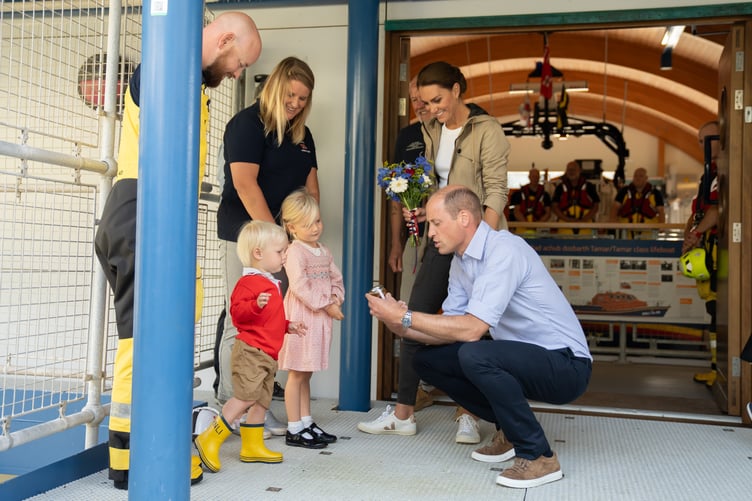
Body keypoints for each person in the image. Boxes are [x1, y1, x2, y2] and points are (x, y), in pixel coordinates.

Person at [93, 12, 262, 490]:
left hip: (156, 214)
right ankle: (129, 464)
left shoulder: (187, 79)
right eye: (237, 62)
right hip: (142, 210)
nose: (234, 73)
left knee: (164, 331)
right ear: (224, 38)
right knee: (143, 341)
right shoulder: (169, 68)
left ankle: (150, 448)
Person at [365, 185, 592, 489]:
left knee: (475, 354)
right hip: (524, 358)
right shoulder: (461, 262)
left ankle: (539, 457)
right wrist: (399, 325)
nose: (429, 232)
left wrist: (406, 316)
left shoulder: (504, 251)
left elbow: (472, 330)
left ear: (463, 218)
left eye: (435, 222)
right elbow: (451, 328)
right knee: (426, 361)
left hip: (567, 365)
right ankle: (510, 431)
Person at [358, 61, 509, 445]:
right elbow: (437, 186)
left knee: (473, 329)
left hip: (479, 242)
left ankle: (469, 414)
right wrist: (424, 210)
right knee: (413, 317)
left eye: (438, 100)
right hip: (440, 238)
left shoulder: (486, 130)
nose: (433, 109)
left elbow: (495, 192)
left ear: (458, 89)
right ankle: (404, 413)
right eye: (426, 102)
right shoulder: (429, 129)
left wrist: (480, 246)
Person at [216, 56, 320, 434]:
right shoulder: (247, 124)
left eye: (303, 98)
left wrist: (307, 234)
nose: (296, 103)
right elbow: (245, 185)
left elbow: (310, 187)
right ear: (276, 86)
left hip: (284, 243)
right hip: (249, 237)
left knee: (272, 322)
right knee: (243, 321)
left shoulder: (301, 135)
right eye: (291, 94)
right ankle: (231, 404)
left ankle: (258, 405)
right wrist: (274, 235)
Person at [194, 221, 307, 471]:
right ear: (258, 253)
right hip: (251, 353)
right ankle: (210, 438)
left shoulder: (268, 282)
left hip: (267, 354)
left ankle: (252, 445)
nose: (284, 256)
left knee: (261, 401)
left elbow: (269, 318)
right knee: (245, 398)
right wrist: (255, 305)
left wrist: (287, 325)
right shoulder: (249, 283)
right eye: (279, 252)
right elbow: (238, 314)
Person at [277, 189, 345, 448]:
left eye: (317, 221)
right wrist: (327, 304)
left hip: (319, 318)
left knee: (307, 373)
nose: (315, 228)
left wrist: (337, 297)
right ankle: (294, 427)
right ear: (292, 227)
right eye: (307, 224)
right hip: (302, 318)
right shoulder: (295, 252)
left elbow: (335, 277)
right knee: (297, 373)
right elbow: (300, 285)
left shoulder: (323, 250)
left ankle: (306, 421)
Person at [682, 120, 720, 386]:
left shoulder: (727, 171)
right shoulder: (710, 173)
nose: (702, 146)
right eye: (699, 140)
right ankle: (716, 368)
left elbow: (717, 211)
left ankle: (720, 370)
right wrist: (688, 234)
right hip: (706, 249)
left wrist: (694, 236)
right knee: (712, 309)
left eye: (707, 140)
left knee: (719, 310)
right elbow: (698, 211)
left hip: (718, 251)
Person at [610, 167, 665, 238]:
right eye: (635, 176)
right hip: (626, 234)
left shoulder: (655, 193)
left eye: (641, 176)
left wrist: (661, 226)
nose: (637, 178)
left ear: (646, 178)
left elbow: (661, 211)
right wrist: (613, 222)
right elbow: (614, 208)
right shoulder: (624, 192)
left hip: (647, 235)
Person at [551, 160, 600, 234]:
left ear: (579, 171)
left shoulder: (589, 186)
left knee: (585, 245)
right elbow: (554, 206)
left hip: (585, 224)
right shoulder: (560, 187)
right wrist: (568, 220)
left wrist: (584, 220)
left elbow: (596, 206)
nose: (571, 172)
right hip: (565, 225)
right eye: (569, 170)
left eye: (573, 169)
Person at [511, 166, 551, 233]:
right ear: (529, 177)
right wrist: (527, 224)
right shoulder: (520, 193)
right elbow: (516, 211)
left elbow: (548, 212)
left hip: (539, 228)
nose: (535, 178)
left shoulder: (545, 194)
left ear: (539, 177)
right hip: (522, 227)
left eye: (537, 176)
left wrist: (537, 224)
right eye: (533, 176)